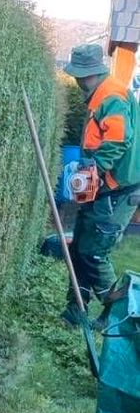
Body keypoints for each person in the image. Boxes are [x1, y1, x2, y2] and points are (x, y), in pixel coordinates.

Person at [62, 43, 140, 326]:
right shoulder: (98, 94)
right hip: (103, 182)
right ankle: (76, 309)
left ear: (95, 72)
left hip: (118, 187)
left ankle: (115, 316)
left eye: (83, 75)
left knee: (95, 251)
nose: (78, 80)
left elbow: (119, 141)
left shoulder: (112, 95)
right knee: (80, 243)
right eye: (77, 75)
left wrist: (92, 172)